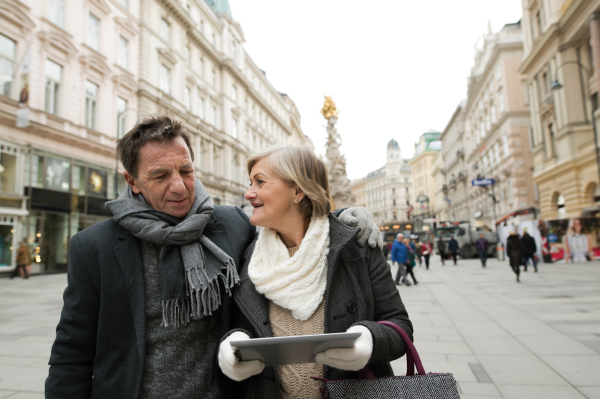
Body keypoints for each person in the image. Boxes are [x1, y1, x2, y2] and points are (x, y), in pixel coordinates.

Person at [45, 116, 381, 399]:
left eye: (186, 171)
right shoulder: (95, 247)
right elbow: (71, 354)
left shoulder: (232, 224)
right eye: (160, 176)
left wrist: (344, 218)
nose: (179, 186)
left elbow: (293, 228)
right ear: (132, 181)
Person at [217, 144, 413, 398]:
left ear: (297, 190)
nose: (248, 193)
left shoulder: (356, 247)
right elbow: (239, 326)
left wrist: (367, 340)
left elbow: (400, 325)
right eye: (250, 183)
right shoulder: (249, 257)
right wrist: (233, 349)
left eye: (260, 182)